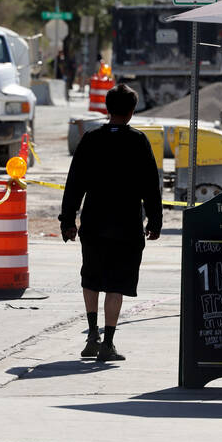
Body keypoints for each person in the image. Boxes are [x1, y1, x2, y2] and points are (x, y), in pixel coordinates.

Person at [59, 83, 162, 362]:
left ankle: (93, 336)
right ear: (131, 111)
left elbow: (74, 184)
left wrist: (68, 220)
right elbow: (152, 186)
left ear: (107, 109)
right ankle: (109, 343)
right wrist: (155, 220)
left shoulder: (91, 139)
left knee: (91, 277)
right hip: (126, 225)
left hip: (93, 221)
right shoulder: (138, 141)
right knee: (116, 283)